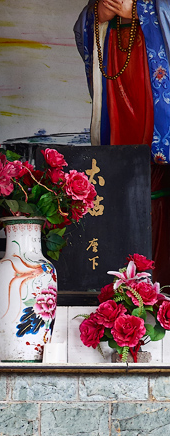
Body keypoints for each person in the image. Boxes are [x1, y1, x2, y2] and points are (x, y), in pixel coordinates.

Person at [75, 0, 170, 284]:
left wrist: (144, 13)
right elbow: (84, 23)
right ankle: (124, 281)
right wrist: (97, 16)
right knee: (120, 168)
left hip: (152, 62)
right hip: (116, 54)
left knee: (158, 171)